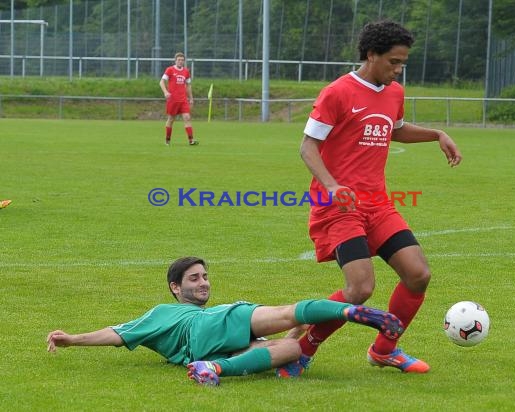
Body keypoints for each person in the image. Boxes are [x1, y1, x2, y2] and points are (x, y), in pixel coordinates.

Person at [276, 20, 462, 377]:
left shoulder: (394, 92)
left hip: (378, 204)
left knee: (418, 274)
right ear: (371, 55)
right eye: (393, 61)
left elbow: (396, 129)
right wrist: (332, 185)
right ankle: (301, 349)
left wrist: (437, 134)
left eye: (403, 62)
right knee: (359, 289)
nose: (398, 69)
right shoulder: (338, 92)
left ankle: (384, 350)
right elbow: (308, 146)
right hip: (339, 207)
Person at [47, 256, 405, 386]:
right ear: (175, 288)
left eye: (204, 277)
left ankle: (214, 369)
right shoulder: (165, 312)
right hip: (208, 326)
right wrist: (74, 338)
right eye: (194, 279)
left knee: (291, 347)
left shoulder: (200, 314)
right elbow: (117, 333)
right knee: (284, 312)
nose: (203, 283)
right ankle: (350, 311)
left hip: (206, 348)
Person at [159, 52, 198, 146]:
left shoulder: (186, 71)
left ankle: (191, 140)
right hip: (173, 100)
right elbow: (161, 82)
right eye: (179, 60)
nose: (180, 61)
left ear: (184, 61)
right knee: (171, 119)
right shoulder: (170, 70)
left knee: (187, 118)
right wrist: (165, 92)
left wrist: (191, 98)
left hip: (183, 100)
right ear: (175, 60)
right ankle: (167, 140)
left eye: (182, 60)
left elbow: (188, 86)